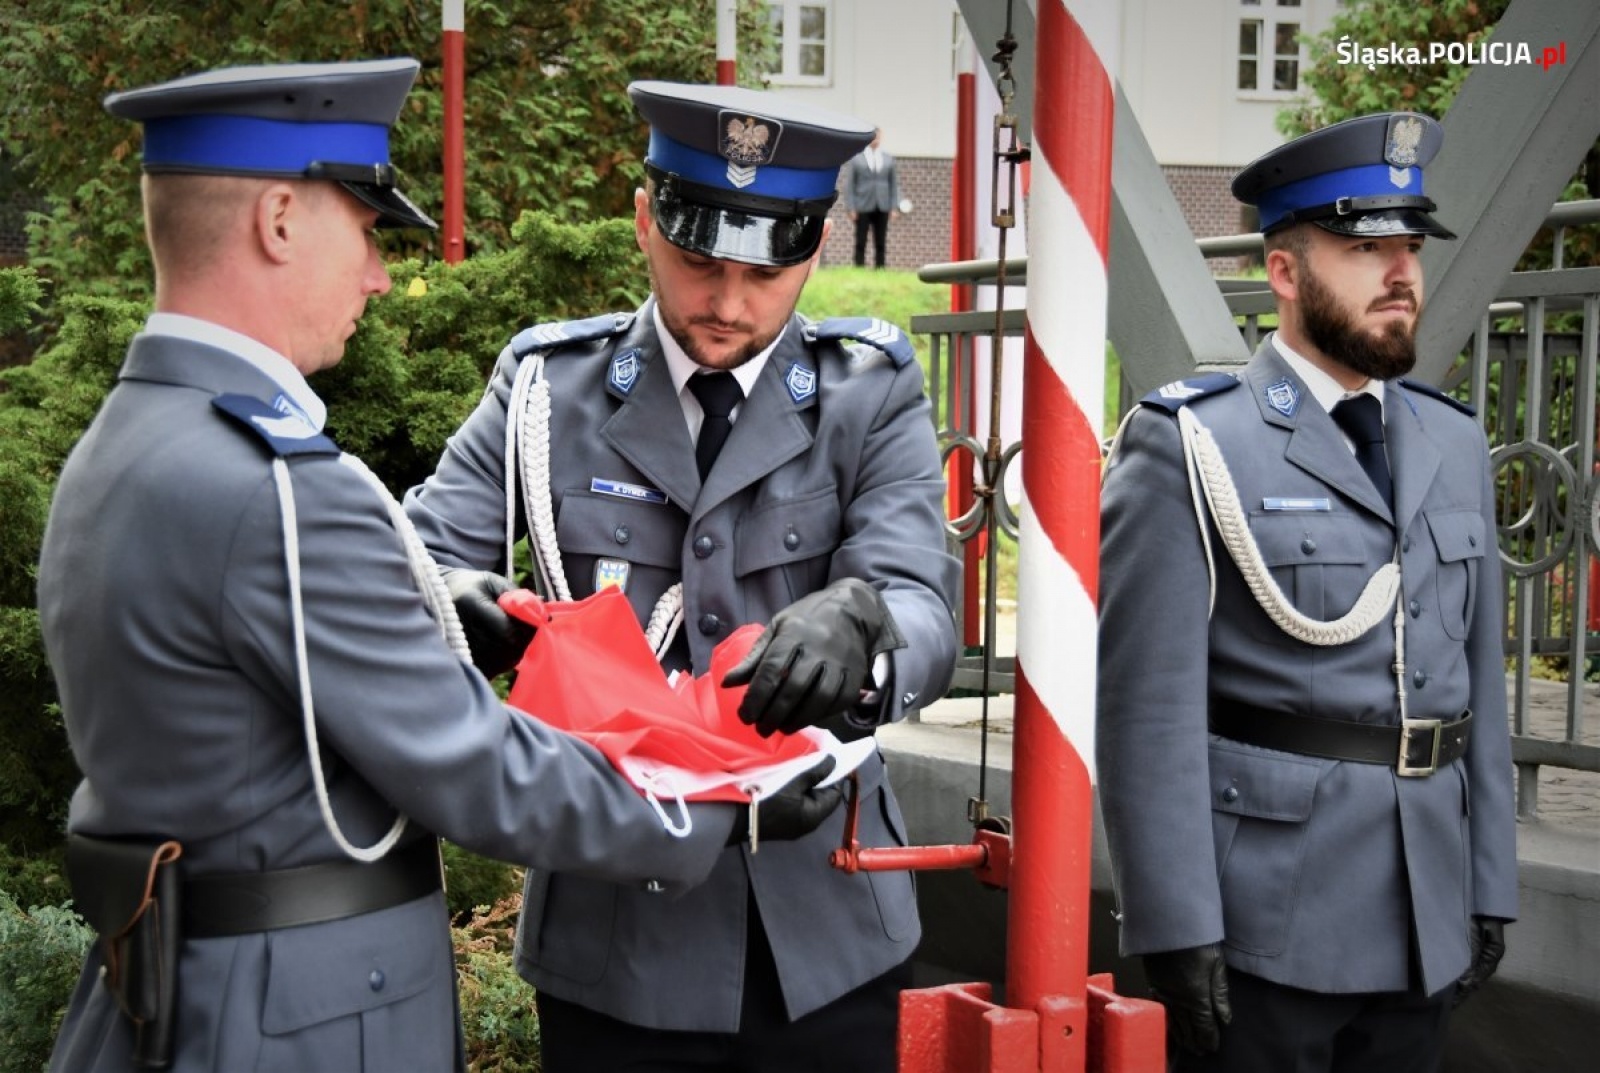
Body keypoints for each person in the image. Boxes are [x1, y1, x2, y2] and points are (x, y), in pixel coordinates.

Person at [38, 60, 840, 1073]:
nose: (377, 272)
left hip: (180, 986)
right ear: (279, 219)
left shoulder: (125, 443)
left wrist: (438, 614)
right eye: (366, 229)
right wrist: (724, 809)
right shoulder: (280, 489)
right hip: (301, 1017)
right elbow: (473, 765)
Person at [403, 82, 959, 1071]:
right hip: (617, 935)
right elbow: (416, 563)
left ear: (818, 244)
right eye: (699, 259)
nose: (729, 303)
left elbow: (920, 595)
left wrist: (863, 626)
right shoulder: (545, 389)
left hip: (824, 919)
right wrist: (455, 604)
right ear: (643, 220)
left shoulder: (866, 391)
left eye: (766, 269)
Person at [1096, 112, 1518, 1072]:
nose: (1401, 273)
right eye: (1366, 248)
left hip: (1425, 907)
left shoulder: (1452, 443)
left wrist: (1489, 877)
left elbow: (1477, 691)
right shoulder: (1193, 441)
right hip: (1268, 917)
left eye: (1409, 246)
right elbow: (1146, 712)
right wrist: (1175, 921)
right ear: (1285, 273)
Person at [843, 127, 899, 268]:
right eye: (873, 137)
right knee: (861, 239)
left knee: (881, 240)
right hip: (862, 205)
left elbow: (893, 184)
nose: (876, 140)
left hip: (883, 204)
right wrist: (851, 207)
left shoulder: (888, 159)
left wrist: (894, 206)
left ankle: (880, 267)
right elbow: (850, 184)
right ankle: (859, 266)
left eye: (878, 137)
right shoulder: (857, 159)